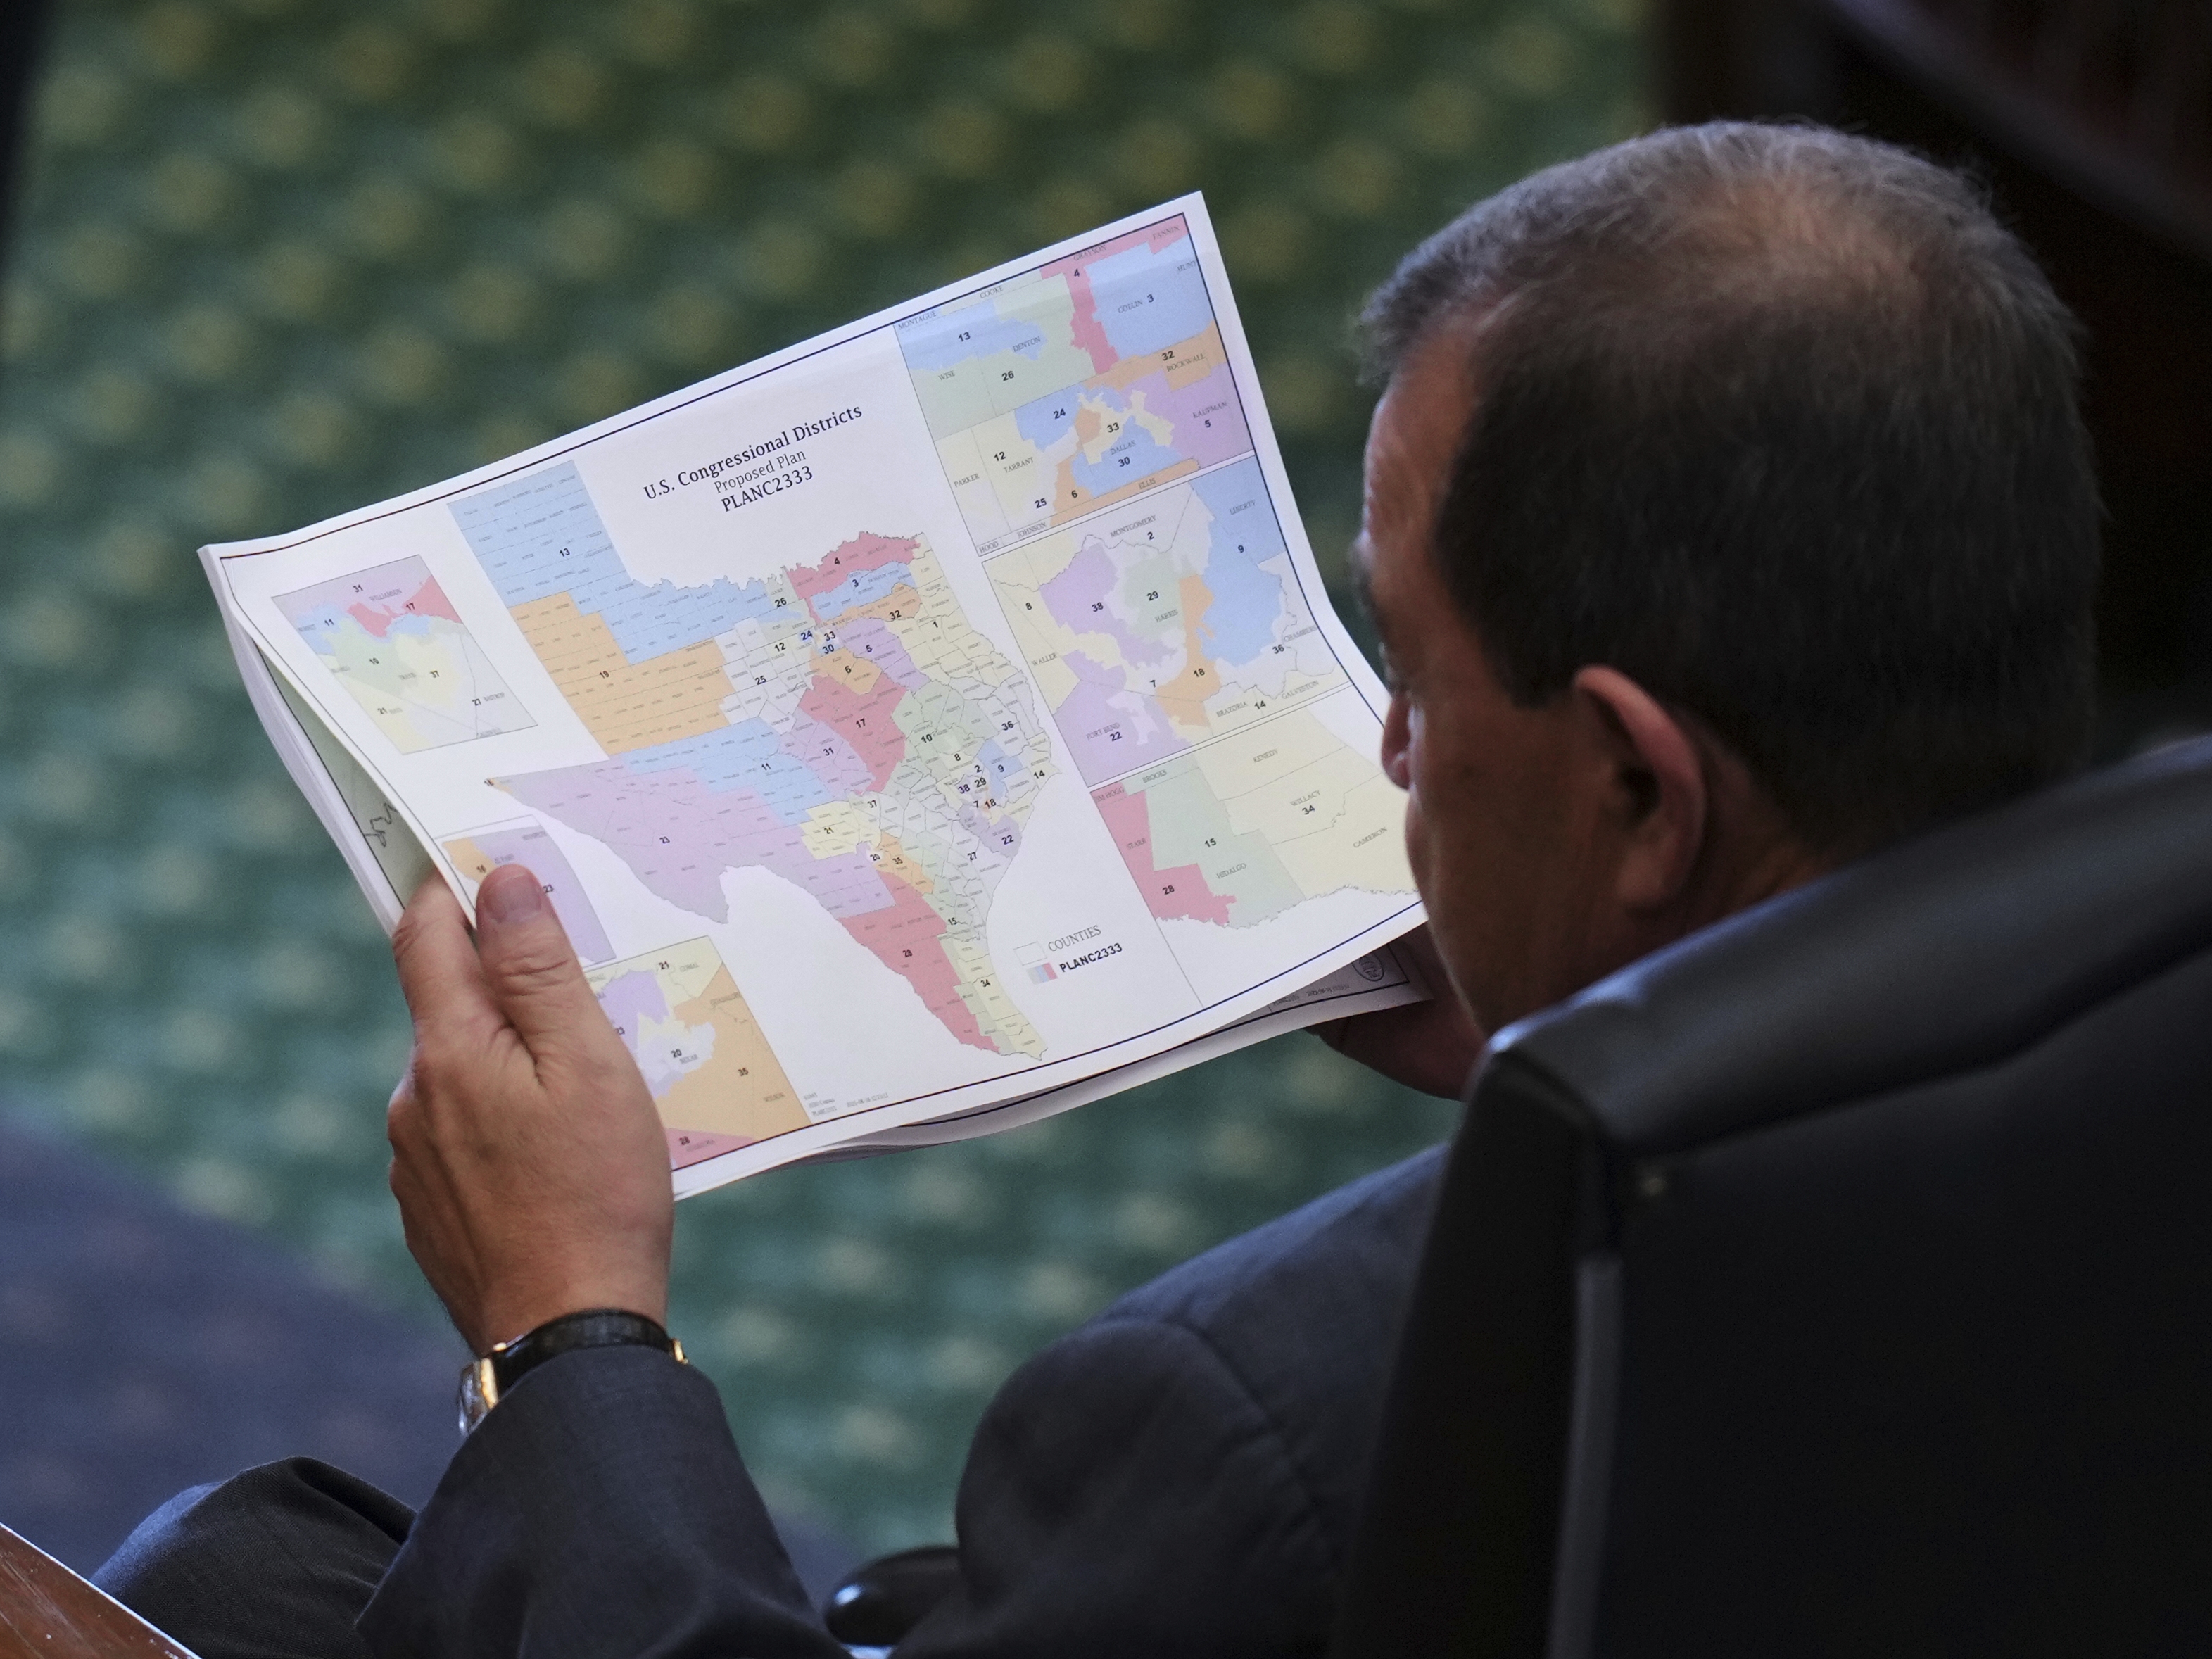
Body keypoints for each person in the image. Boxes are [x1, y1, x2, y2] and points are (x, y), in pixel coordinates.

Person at [91, 119, 2098, 1657]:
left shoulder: (1252, 1426)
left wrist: (568, 1328)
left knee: (230, 1572)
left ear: (1641, 792)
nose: (1388, 749)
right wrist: (1577, 1017)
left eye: (1413, 668)